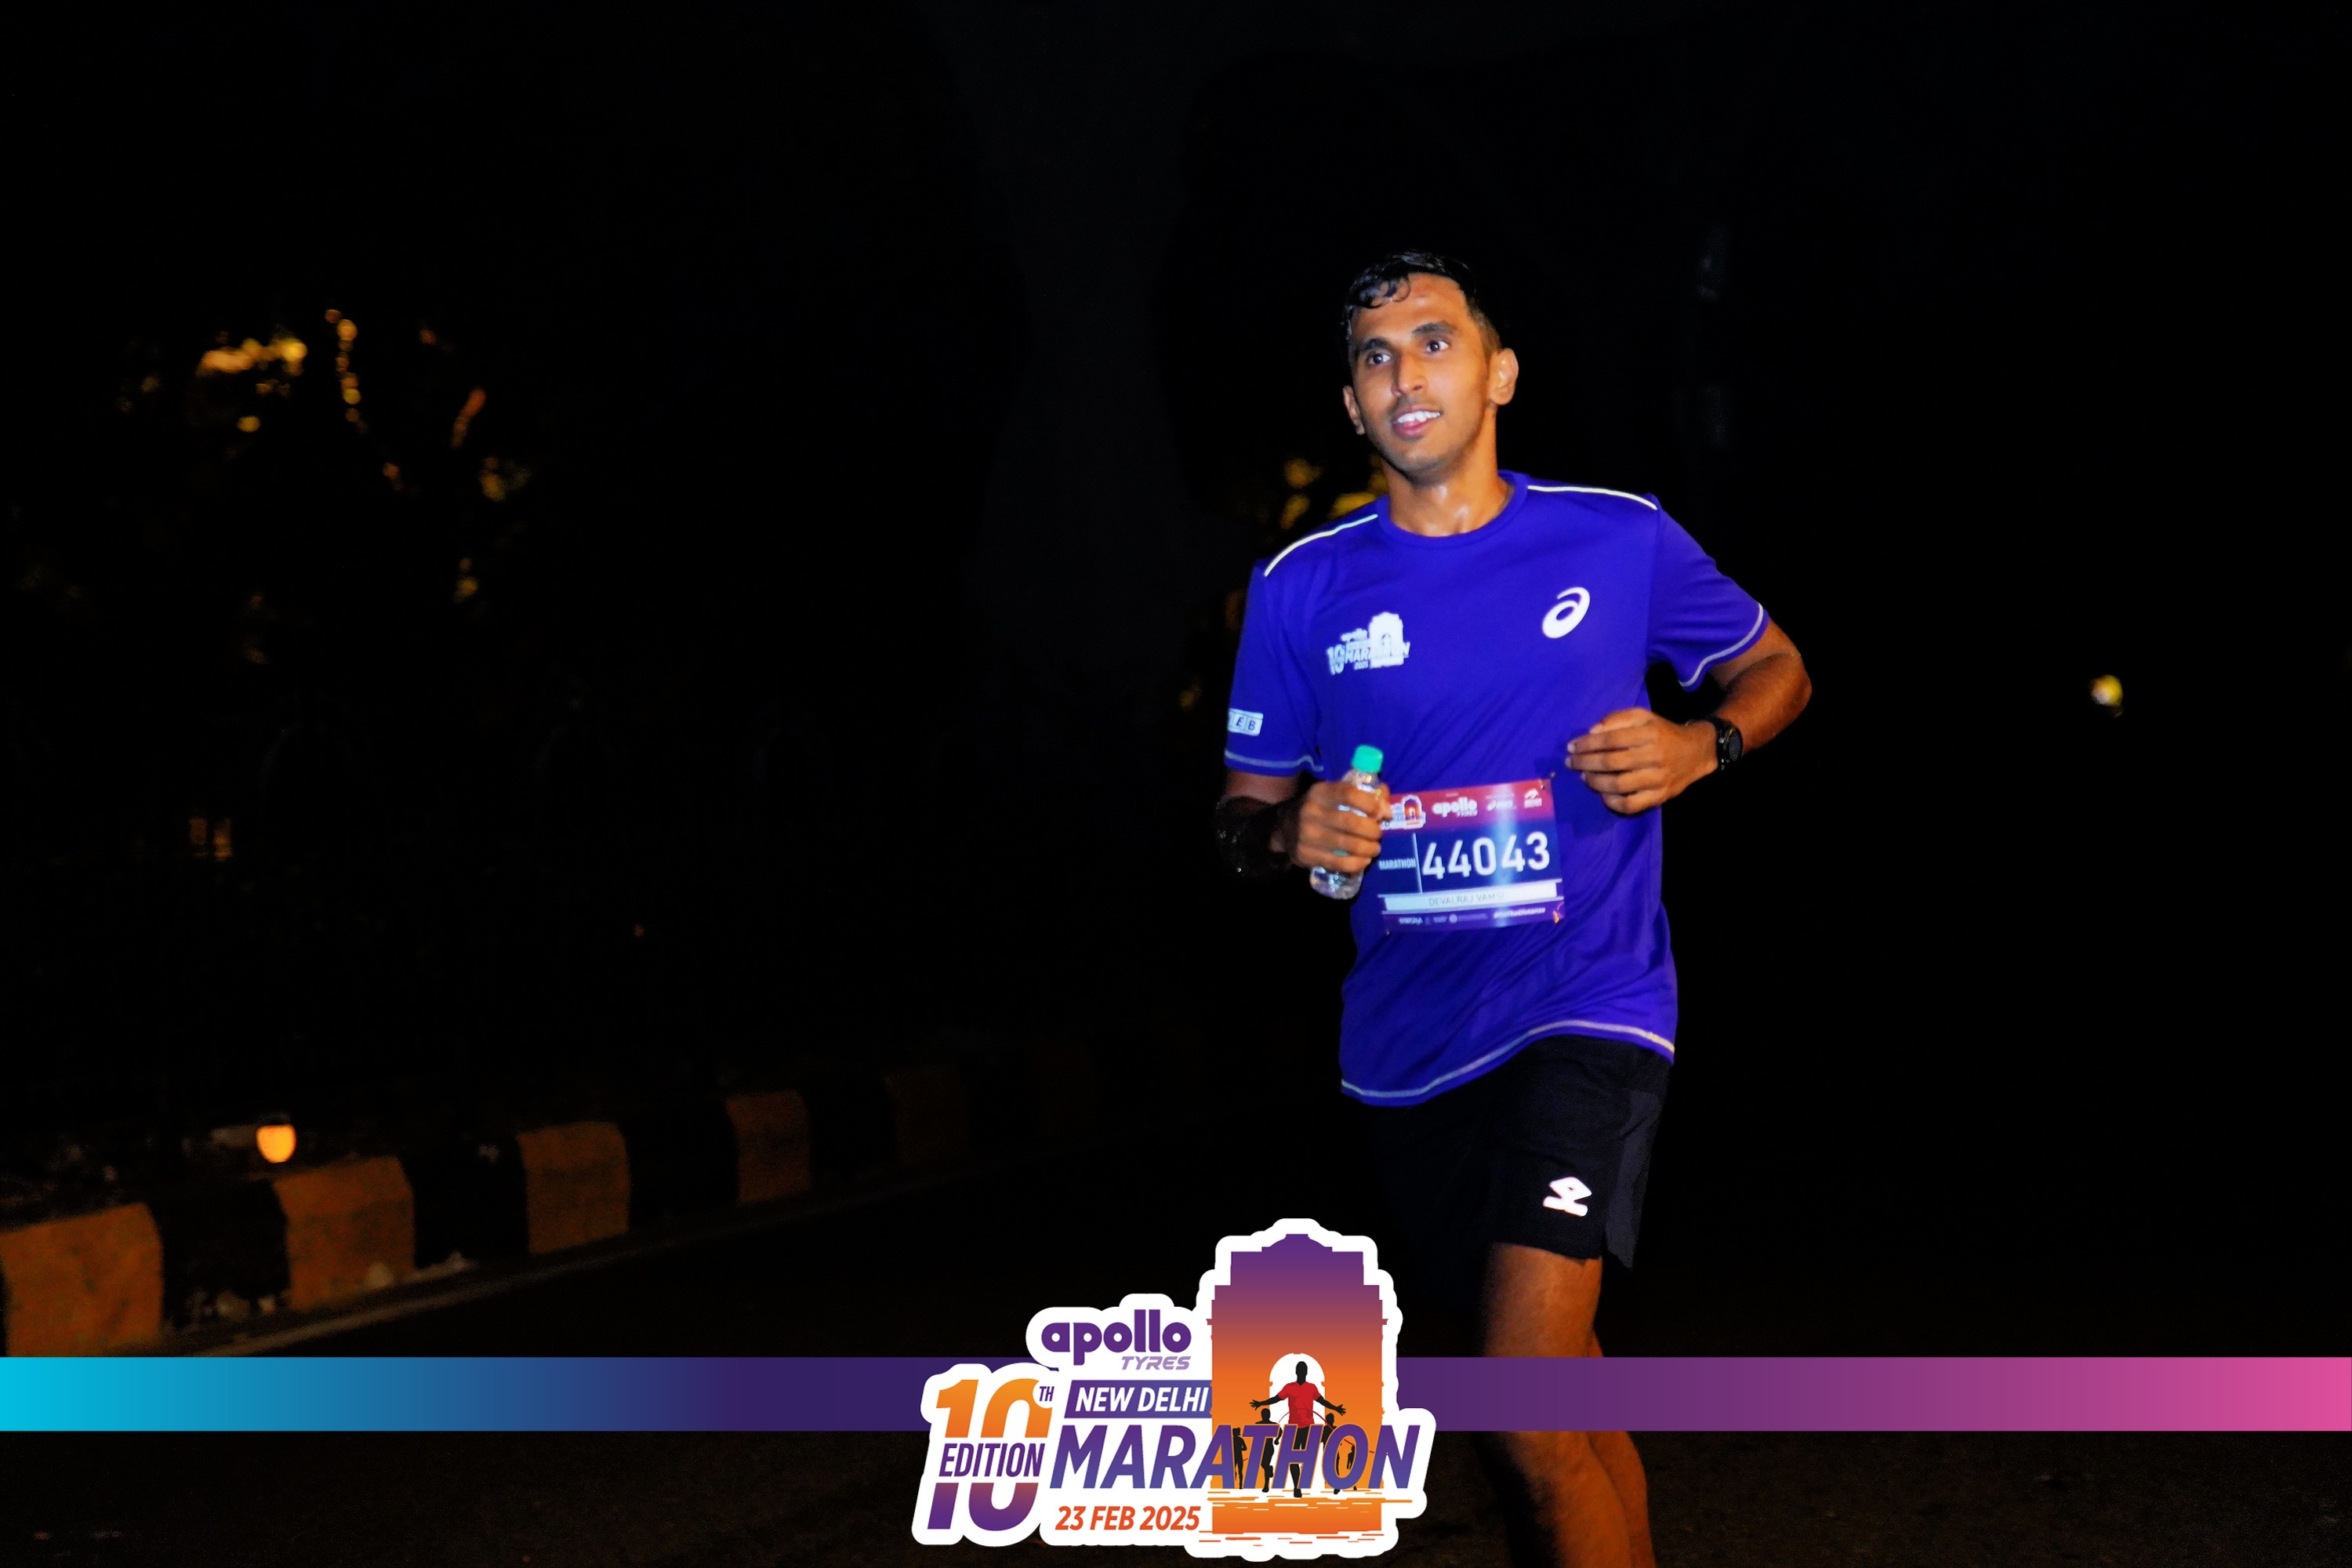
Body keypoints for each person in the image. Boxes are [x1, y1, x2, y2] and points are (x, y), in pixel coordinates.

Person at [1211, 253, 1811, 1568]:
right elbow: (1241, 814)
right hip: (1410, 1045)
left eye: (1436, 341)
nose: (1405, 372)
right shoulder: (1302, 588)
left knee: (1520, 1395)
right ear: (1354, 405)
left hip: (1590, 1003)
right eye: (1376, 355)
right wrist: (1287, 832)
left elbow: (1776, 666)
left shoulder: (1616, 537)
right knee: (1563, 1386)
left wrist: (1699, 744)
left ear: (1500, 374)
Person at [1250, 1359, 1345, 1497]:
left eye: (1303, 1370)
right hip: (1293, 1429)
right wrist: (1261, 1403)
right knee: (1292, 1459)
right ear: (1297, 1372)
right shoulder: (1289, 1387)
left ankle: (1332, 1482)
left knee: (1309, 1458)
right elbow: (1276, 1399)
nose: (1302, 1372)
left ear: (1306, 1372)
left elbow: (1322, 1401)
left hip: (1309, 1428)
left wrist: (1335, 1408)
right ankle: (1297, 1487)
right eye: (1300, 1370)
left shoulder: (1311, 1388)